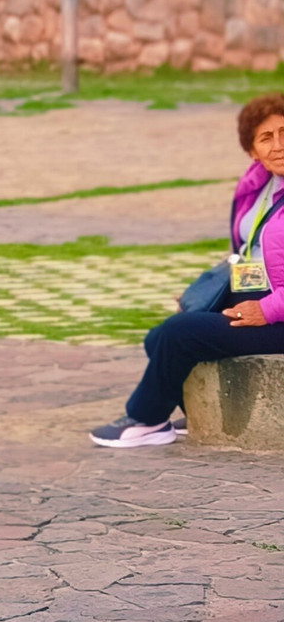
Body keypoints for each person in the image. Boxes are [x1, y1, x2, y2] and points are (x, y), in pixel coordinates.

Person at [91, 93, 284, 448]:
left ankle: (146, 419)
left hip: (276, 314)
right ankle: (196, 413)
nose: (279, 145)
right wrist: (208, 294)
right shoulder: (259, 185)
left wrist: (266, 310)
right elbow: (248, 253)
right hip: (258, 294)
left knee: (178, 334)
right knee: (159, 336)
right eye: (266, 138)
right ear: (252, 151)